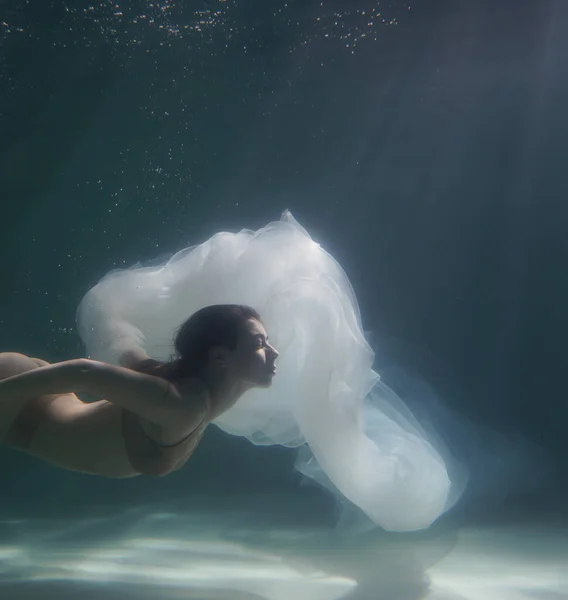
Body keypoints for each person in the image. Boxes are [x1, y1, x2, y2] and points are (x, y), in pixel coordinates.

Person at [0, 305, 279, 478]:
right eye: (259, 343)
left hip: (25, 405)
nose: (273, 352)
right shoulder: (182, 404)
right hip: (17, 401)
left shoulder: (187, 390)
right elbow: (83, 372)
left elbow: (129, 355)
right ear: (219, 357)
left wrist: (114, 321)